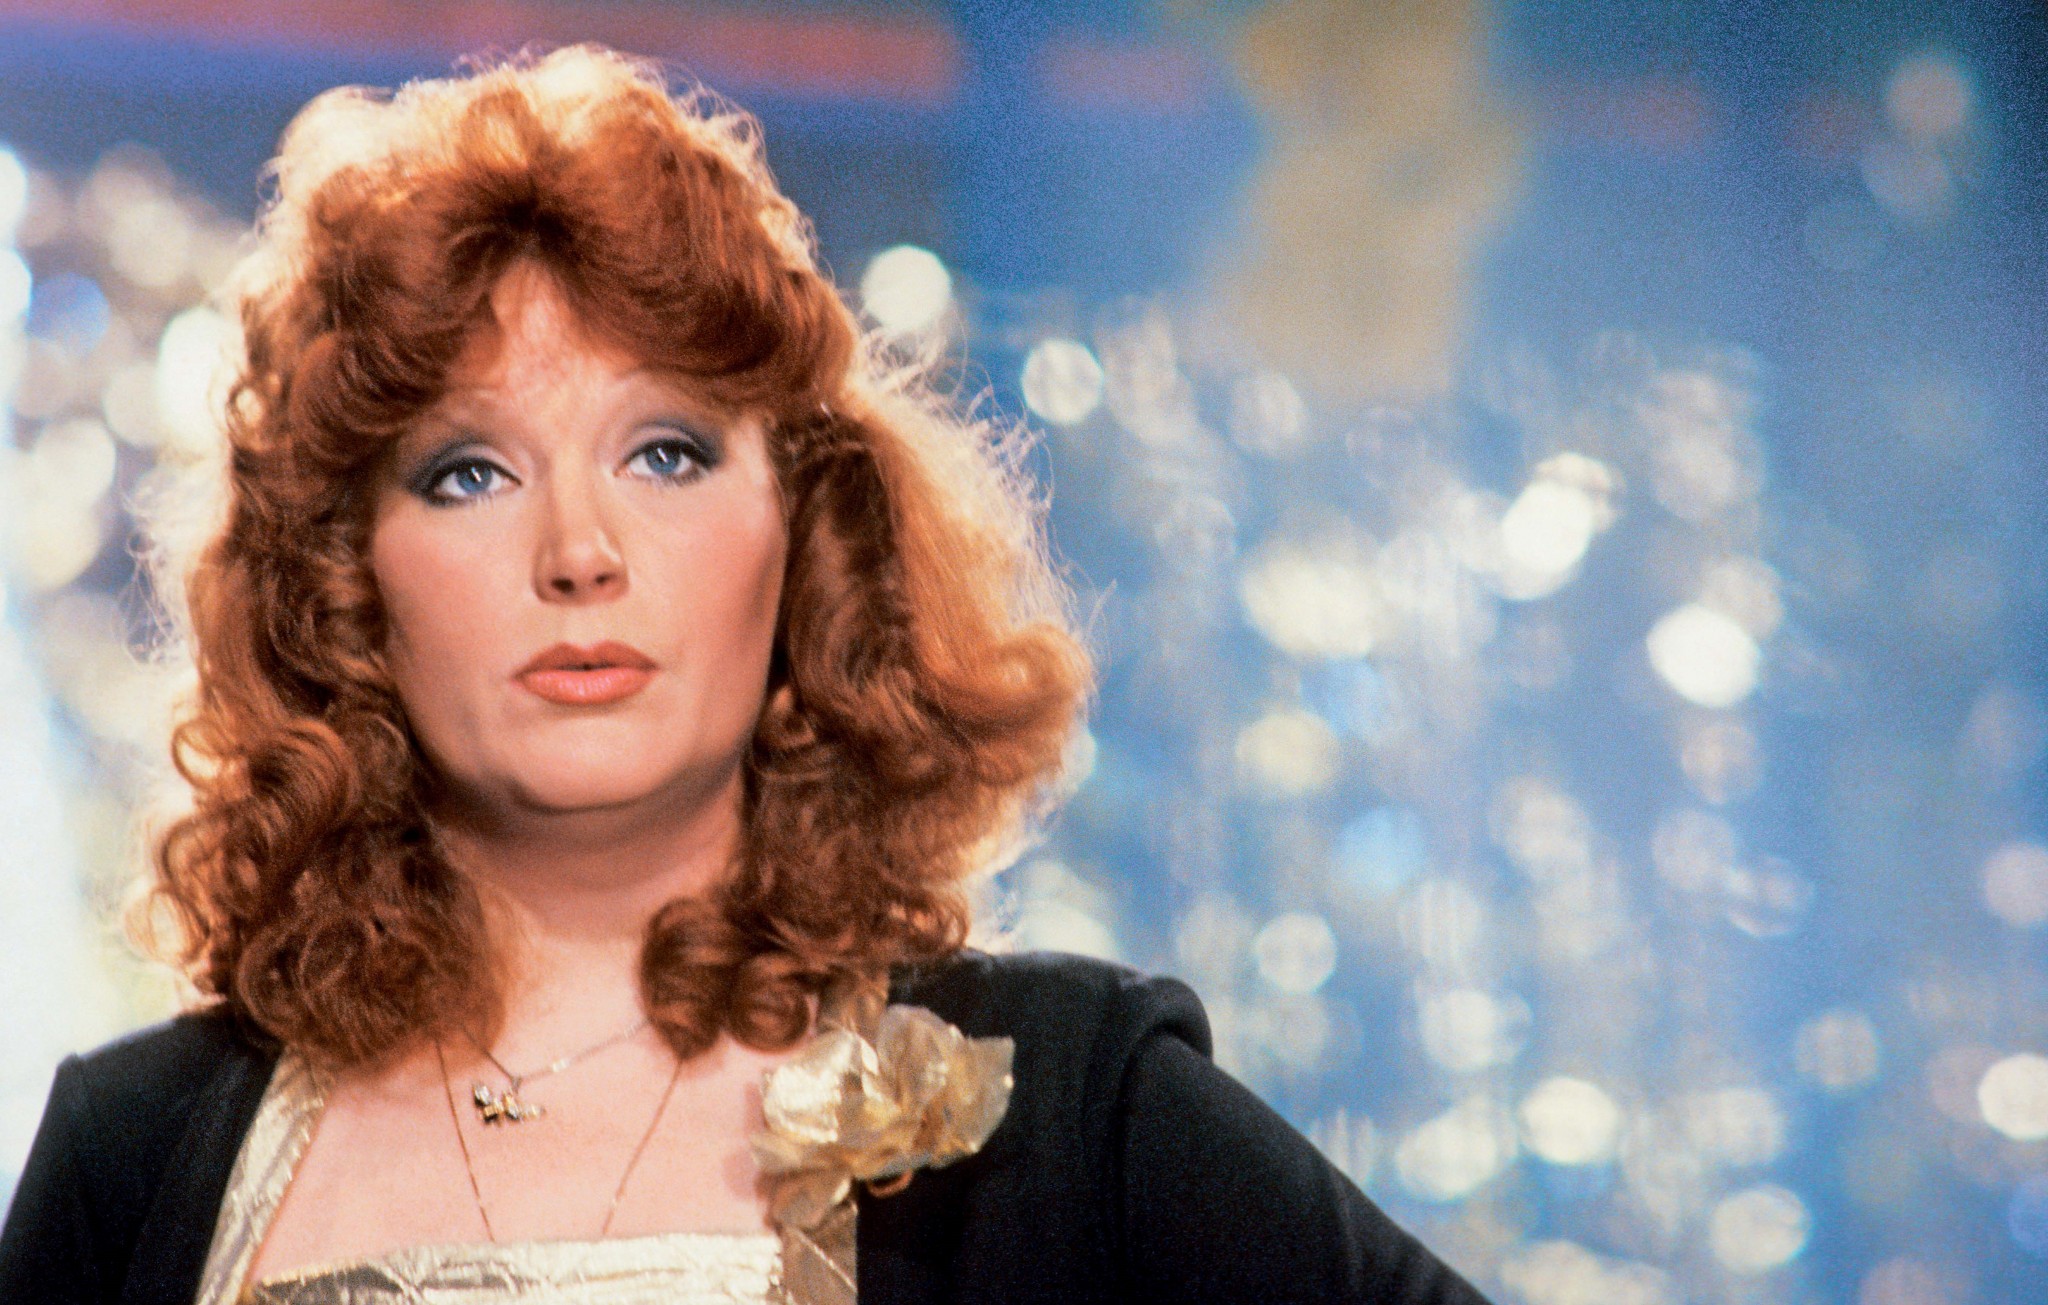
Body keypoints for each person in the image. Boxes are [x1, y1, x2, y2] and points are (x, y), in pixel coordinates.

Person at [0, 45, 1491, 1305]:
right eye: (467, 473)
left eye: (665, 453)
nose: (579, 552)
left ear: (808, 532)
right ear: (344, 581)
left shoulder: (1073, 1108)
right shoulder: (134, 1157)